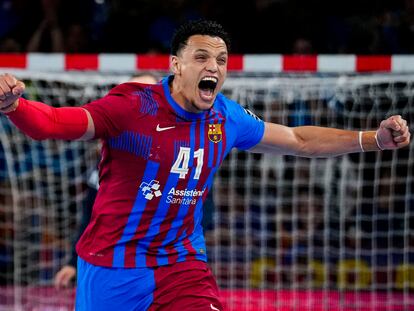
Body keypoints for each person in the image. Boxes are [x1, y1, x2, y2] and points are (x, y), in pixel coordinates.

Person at [0, 19, 410, 311]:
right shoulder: (132, 108)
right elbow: (51, 123)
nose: (213, 66)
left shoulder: (226, 118)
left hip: (181, 263)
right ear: (176, 65)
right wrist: (13, 105)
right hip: (113, 267)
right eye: (201, 57)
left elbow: (298, 140)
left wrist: (371, 139)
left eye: (221, 59)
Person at [54, 72, 159, 289]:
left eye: (146, 94)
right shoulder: (108, 159)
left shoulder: (183, 149)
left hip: (164, 264)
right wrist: (73, 262)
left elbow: (201, 213)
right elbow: (91, 215)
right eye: (132, 95)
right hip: (113, 267)